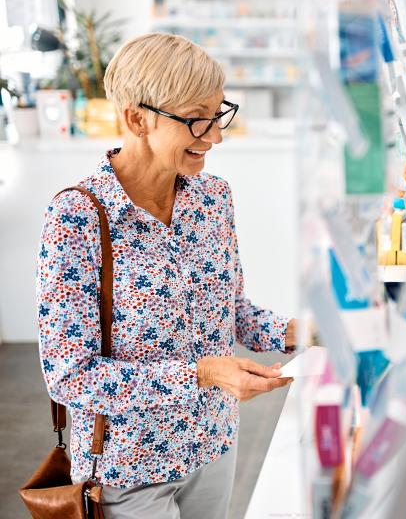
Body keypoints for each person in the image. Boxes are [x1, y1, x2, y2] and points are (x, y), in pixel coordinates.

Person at [36, 33, 297, 518]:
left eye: (218, 116)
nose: (215, 136)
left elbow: (232, 310)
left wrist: (295, 331)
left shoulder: (212, 197)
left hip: (213, 443)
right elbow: (69, 376)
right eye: (198, 120)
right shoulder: (78, 216)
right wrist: (202, 373)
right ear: (138, 119)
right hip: (130, 470)